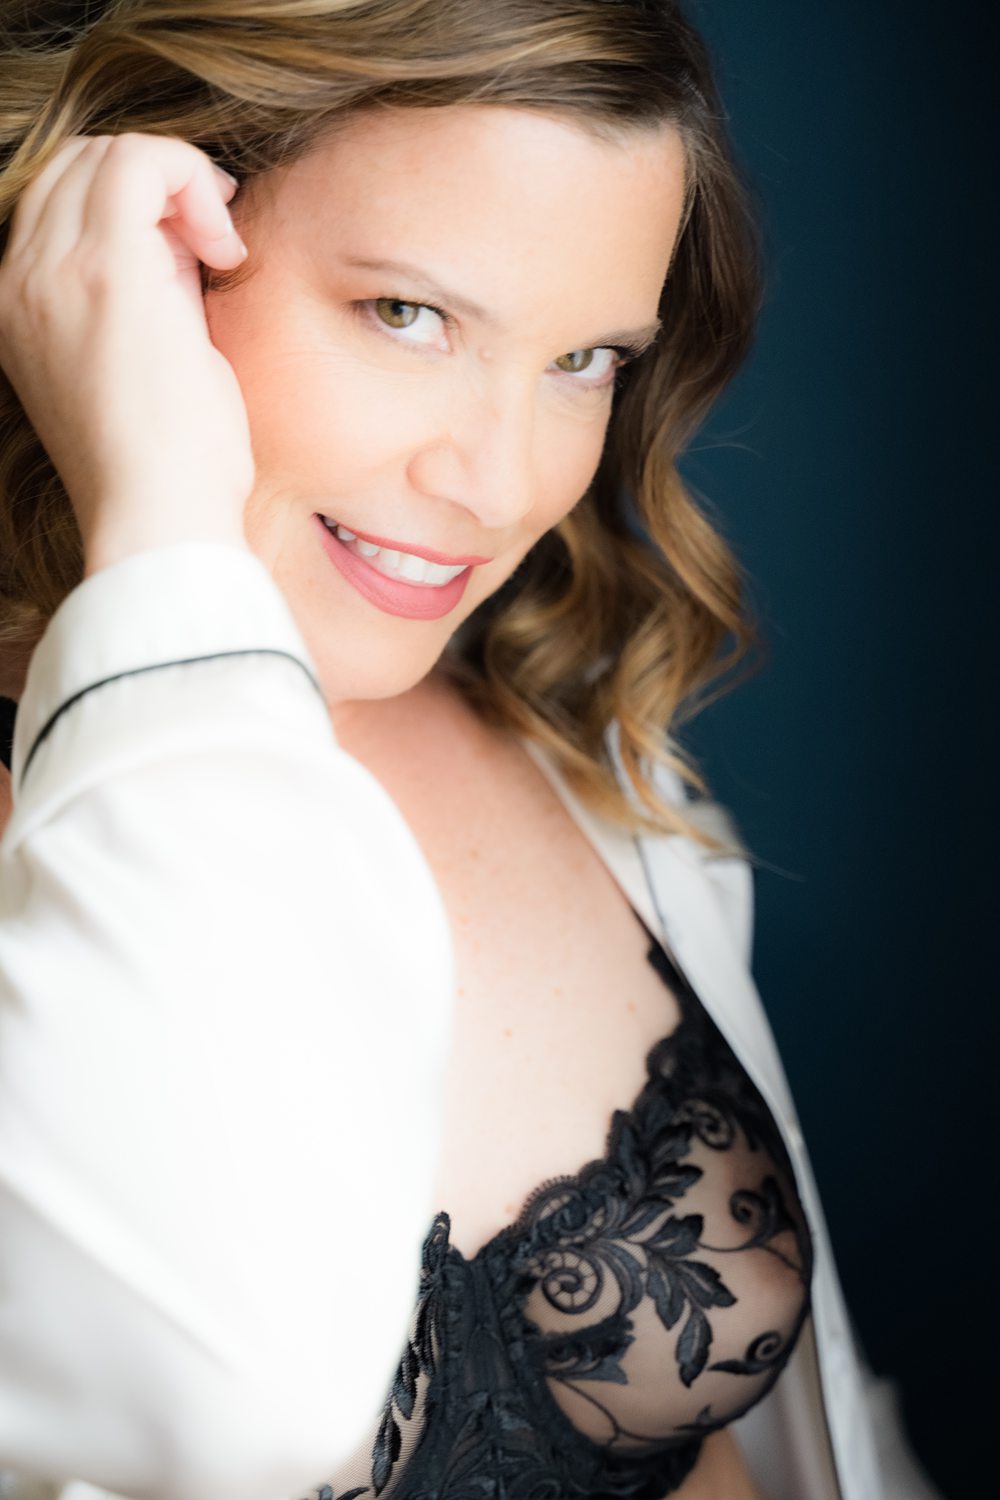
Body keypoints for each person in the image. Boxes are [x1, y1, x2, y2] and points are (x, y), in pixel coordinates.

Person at [0, 3, 942, 1499]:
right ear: (140, 253)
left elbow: (787, 1436)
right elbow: (221, 1398)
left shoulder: (594, 768)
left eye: (582, 358)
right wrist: (163, 541)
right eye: (407, 315)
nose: (502, 481)